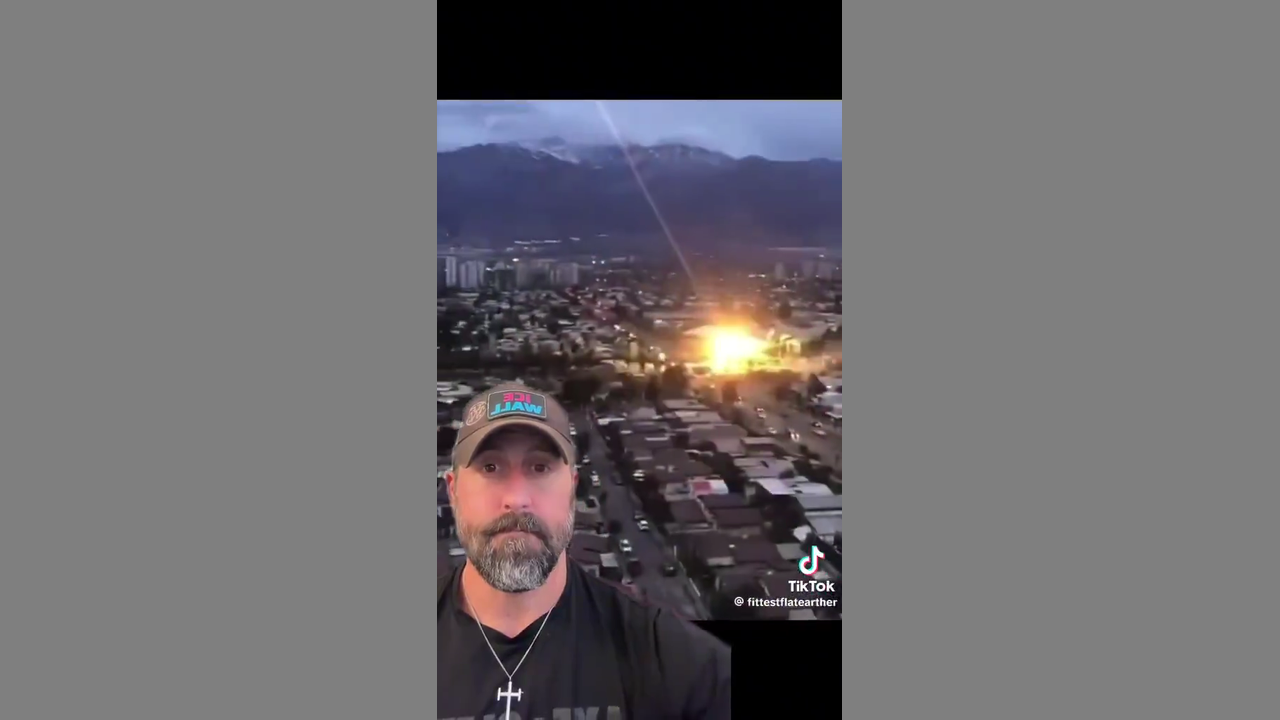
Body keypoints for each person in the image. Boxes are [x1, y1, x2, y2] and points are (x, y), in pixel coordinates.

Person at [437, 384, 731, 720]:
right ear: (453, 491)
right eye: (490, 467)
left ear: (573, 490)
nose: (517, 499)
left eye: (540, 467)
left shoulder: (672, 662)